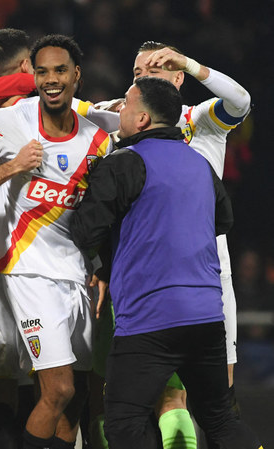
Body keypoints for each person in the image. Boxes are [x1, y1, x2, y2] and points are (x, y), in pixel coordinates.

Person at [70, 75, 261, 449]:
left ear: (142, 119)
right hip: (206, 316)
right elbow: (223, 221)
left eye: (127, 104)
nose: (121, 111)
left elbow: (84, 232)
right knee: (220, 419)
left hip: (148, 319)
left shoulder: (122, 163)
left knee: (123, 423)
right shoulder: (199, 163)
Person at [0, 34, 112, 449]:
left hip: (76, 275)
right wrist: (9, 170)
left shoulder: (98, 141)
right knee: (58, 389)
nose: (51, 80)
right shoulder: (10, 122)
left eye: (60, 71)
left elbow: (102, 215)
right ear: (33, 75)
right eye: (42, 72)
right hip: (27, 272)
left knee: (74, 399)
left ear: (76, 75)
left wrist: (102, 268)